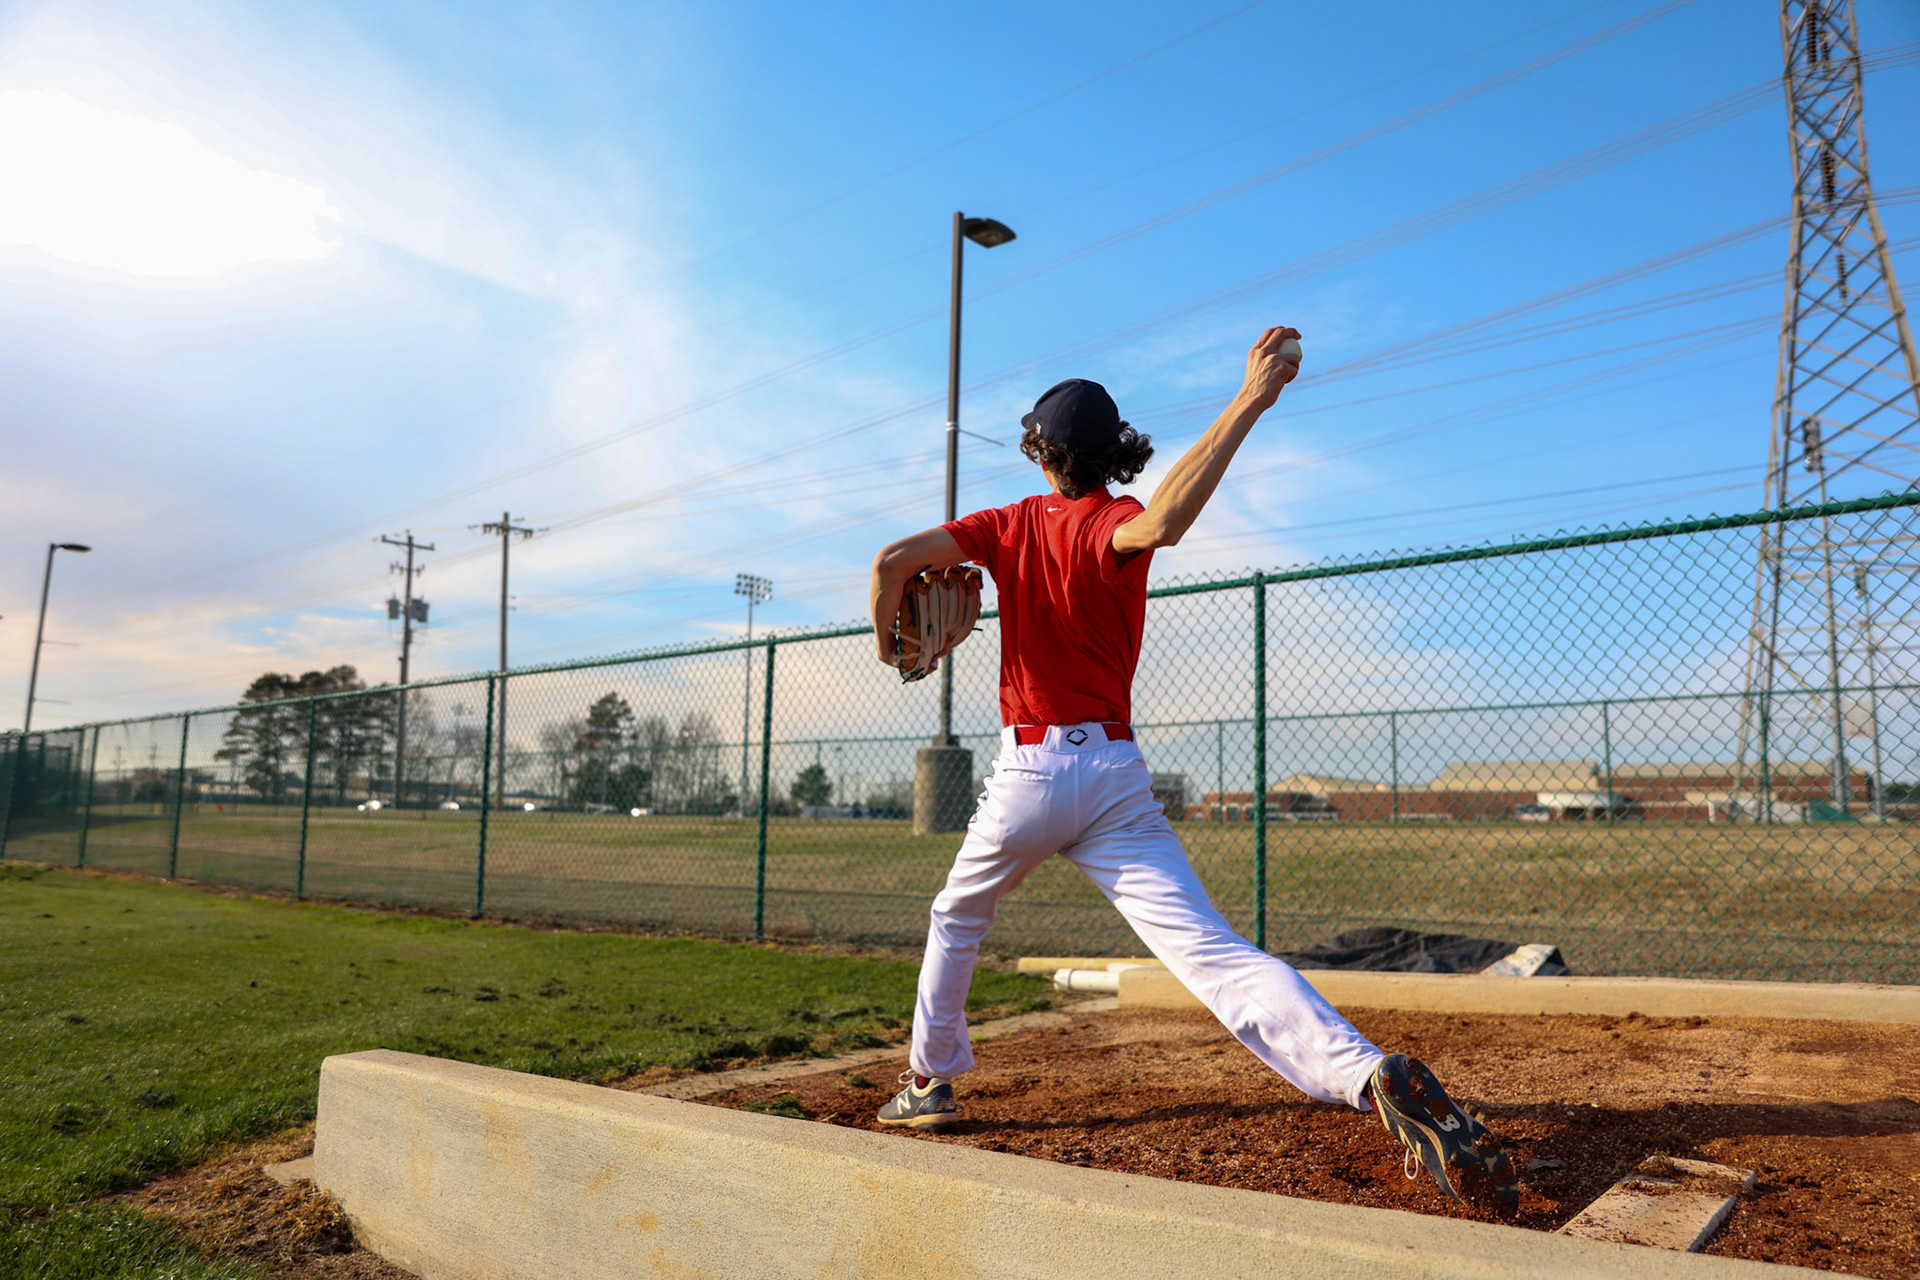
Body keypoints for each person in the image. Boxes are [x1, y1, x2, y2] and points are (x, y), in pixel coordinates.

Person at [866, 327, 1517, 1211]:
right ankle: (1369, 1074)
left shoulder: (1004, 525)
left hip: (1028, 774)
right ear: (1110, 453)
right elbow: (1163, 520)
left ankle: (929, 1084)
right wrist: (1252, 397)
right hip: (1116, 777)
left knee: (956, 917)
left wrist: (894, 650)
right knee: (1215, 954)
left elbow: (892, 564)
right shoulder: (1109, 518)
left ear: (1042, 452)